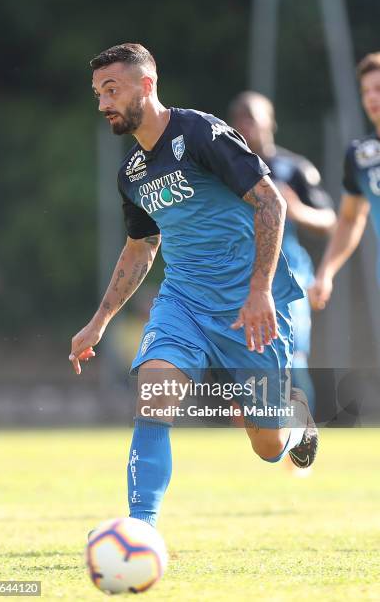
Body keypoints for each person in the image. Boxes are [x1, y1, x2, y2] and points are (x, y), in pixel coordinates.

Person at [69, 43, 318, 528]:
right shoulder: (133, 174)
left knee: (267, 445)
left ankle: (295, 421)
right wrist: (99, 321)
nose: (103, 103)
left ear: (147, 84)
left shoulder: (201, 133)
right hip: (182, 301)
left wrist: (260, 290)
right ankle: (140, 530)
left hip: (248, 306)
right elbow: (141, 247)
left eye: (112, 89)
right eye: (99, 93)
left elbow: (271, 203)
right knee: (154, 395)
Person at [228, 91, 336, 416]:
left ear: (270, 122)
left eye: (254, 118)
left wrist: (297, 210)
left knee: (294, 355)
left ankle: (301, 440)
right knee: (243, 356)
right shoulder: (225, 170)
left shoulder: (294, 168)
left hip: (289, 276)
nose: (248, 125)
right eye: (241, 119)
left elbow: (330, 219)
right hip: (240, 276)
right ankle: (255, 437)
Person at [309, 52, 380, 310]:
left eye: (378, 89)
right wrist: (326, 272)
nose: (371, 97)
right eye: (366, 91)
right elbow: (351, 218)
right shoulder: (361, 156)